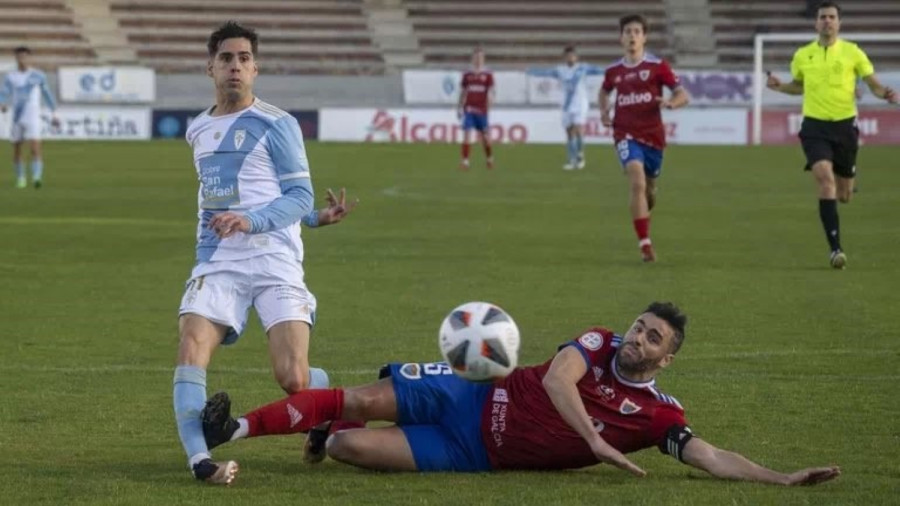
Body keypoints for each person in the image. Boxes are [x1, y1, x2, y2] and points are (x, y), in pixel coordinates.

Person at [202, 302, 840, 487]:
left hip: (473, 454)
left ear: (667, 357)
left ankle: (318, 429)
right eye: (639, 327)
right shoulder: (594, 342)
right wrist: (593, 440)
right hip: (475, 391)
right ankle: (231, 432)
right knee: (362, 400)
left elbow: (707, 454)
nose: (636, 338)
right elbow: (560, 381)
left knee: (345, 445)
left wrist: (780, 479)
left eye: (652, 339)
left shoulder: (657, 415)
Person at [173, 21, 357, 485]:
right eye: (226, 59)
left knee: (293, 379)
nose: (234, 66)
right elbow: (219, 198)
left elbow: (295, 197)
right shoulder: (198, 129)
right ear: (210, 67)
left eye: (243, 59)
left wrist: (288, 217)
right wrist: (311, 218)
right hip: (218, 260)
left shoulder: (278, 124)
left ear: (255, 68)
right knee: (191, 348)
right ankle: (201, 462)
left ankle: (322, 404)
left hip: (275, 259)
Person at [767, 1, 897, 269]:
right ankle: (835, 249)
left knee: (845, 194)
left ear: (839, 23)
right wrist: (780, 87)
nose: (827, 21)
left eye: (832, 17)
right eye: (823, 17)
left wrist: (886, 93)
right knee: (824, 178)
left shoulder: (853, 52)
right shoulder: (803, 55)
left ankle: (850, 178)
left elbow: (873, 85)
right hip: (814, 127)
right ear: (816, 23)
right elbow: (798, 87)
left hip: (845, 127)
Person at [599, 14, 689, 263]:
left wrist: (671, 103)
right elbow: (604, 92)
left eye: (637, 31)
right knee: (636, 182)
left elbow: (683, 94)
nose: (632, 36)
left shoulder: (658, 67)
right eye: (627, 31)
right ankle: (645, 244)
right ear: (621, 38)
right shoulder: (614, 71)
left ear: (644, 37)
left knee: (648, 190)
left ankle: (648, 203)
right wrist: (604, 110)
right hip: (625, 134)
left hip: (653, 138)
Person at [527, 46, 605, 170]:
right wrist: (531, 71)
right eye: (568, 56)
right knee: (569, 132)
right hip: (567, 105)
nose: (570, 58)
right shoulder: (560, 70)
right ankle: (572, 159)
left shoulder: (582, 68)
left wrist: (615, 70)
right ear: (564, 58)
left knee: (577, 129)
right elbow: (545, 73)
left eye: (572, 55)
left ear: (576, 57)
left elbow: (599, 70)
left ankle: (580, 155)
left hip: (580, 104)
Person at [0, 46, 60, 189]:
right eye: (19, 57)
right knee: (17, 149)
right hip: (17, 117)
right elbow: (4, 93)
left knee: (35, 148)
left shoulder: (38, 75)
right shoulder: (11, 76)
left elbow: (47, 94)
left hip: (33, 117)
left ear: (29, 58)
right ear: (16, 59)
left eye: (24, 56)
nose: (22, 59)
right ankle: (21, 178)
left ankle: (36, 178)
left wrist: (55, 113)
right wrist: (2, 104)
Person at [457, 47, 495, 170]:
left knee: (485, 138)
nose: (478, 60)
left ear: (483, 59)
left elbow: (491, 92)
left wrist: (489, 107)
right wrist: (459, 107)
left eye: (480, 57)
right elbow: (463, 92)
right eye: (476, 57)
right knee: (467, 133)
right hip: (469, 109)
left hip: (482, 110)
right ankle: (465, 162)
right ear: (472, 59)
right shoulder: (467, 74)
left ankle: (489, 158)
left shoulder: (488, 75)